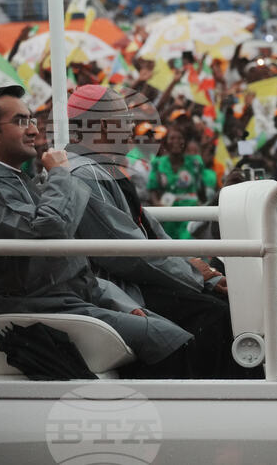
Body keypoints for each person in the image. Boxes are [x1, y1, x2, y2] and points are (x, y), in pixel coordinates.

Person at [0, 86, 192, 375]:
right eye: (21, 122)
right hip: (35, 315)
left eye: (32, 120)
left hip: (64, 302)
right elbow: (50, 232)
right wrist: (60, 174)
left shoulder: (13, 180)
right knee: (173, 339)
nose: (34, 130)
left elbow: (68, 266)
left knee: (169, 330)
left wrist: (119, 304)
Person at [66, 84, 253, 378]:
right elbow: (128, 253)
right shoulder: (84, 174)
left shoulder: (101, 168)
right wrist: (194, 275)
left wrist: (203, 272)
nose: (132, 127)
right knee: (215, 316)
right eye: (125, 118)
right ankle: (228, 400)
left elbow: (151, 232)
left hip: (140, 279)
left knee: (229, 303)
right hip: (121, 291)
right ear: (103, 126)